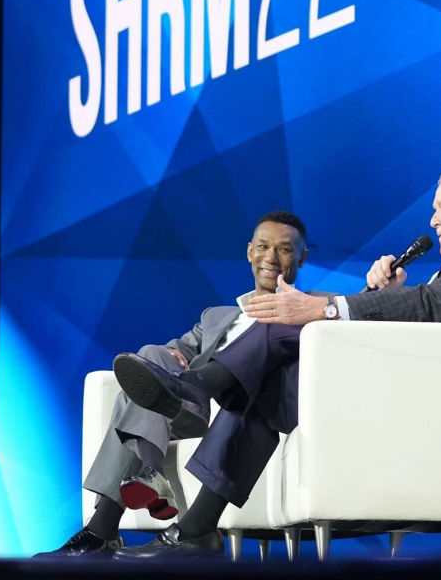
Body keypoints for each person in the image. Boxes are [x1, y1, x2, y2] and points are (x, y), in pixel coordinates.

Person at [110, 169, 441, 558]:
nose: (432, 220)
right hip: (418, 389)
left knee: (284, 323)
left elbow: (429, 307)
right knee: (267, 375)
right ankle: (197, 530)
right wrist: (383, 295)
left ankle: (196, 387)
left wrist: (329, 310)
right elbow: (428, 314)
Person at [39, 211, 311, 558]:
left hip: (246, 410)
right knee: (152, 355)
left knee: (153, 382)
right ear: (249, 252)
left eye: (285, 250)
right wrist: (171, 353)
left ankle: (102, 529)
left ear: (302, 257)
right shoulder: (217, 317)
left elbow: (355, 314)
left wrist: (378, 289)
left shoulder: (310, 310)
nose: (271, 258)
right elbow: (173, 355)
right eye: (263, 247)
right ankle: (148, 475)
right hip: (190, 410)